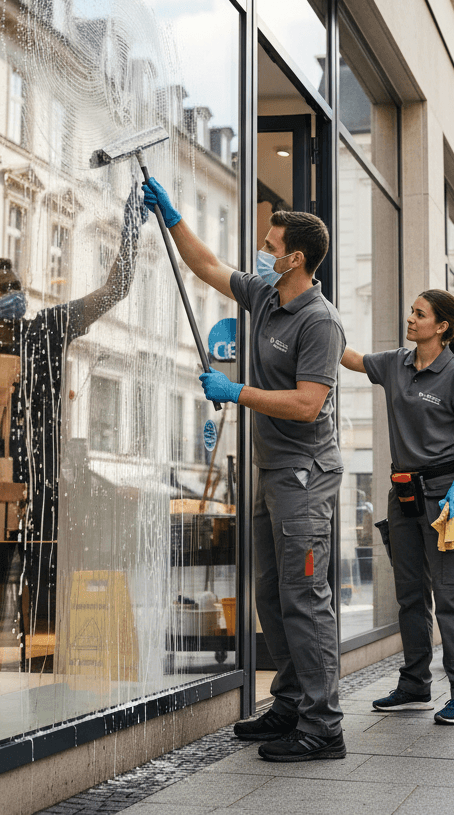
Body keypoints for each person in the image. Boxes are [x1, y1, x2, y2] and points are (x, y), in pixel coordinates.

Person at [142, 175, 347, 763]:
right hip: (270, 469)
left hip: (305, 474)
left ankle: (324, 724)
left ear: (296, 258)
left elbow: (309, 404)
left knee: (305, 595)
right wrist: (173, 214)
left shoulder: (319, 322)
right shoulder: (265, 294)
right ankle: (289, 701)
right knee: (269, 591)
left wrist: (237, 391)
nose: (262, 248)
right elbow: (206, 265)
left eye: (270, 243)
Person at [0, 187, 147, 652]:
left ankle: (44, 692)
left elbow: (114, 289)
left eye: (17, 286)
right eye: (2, 288)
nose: (15, 294)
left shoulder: (47, 331)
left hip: (44, 489)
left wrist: (131, 228)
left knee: (46, 600)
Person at [341, 289, 454, 725]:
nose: (411, 319)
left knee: (450, 597)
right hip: (401, 492)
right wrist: (315, 314)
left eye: (420, 314)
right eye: (411, 311)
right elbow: (350, 358)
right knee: (409, 595)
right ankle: (415, 685)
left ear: (441, 326)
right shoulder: (396, 364)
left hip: (444, 496)